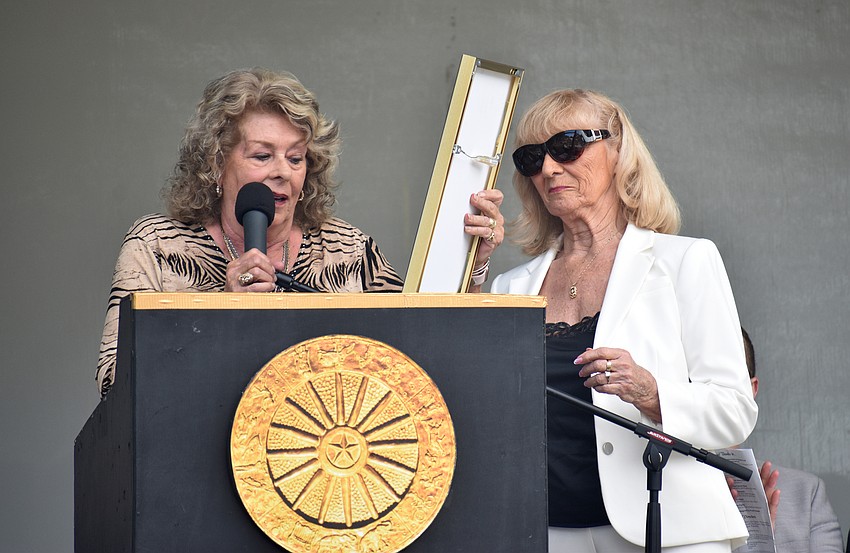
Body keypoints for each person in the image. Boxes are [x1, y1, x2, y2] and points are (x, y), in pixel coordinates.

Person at [96, 68, 504, 398]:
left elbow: (424, 354)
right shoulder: (156, 245)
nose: (282, 171)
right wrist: (220, 313)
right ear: (216, 164)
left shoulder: (348, 251)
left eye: (296, 158)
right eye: (262, 155)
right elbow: (115, 382)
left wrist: (474, 262)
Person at [490, 89, 758, 552]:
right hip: (545, 534)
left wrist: (650, 393)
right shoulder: (509, 287)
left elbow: (734, 410)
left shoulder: (686, 261)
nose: (549, 168)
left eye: (568, 146)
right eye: (533, 157)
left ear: (618, 152)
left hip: (666, 531)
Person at [739, 328, 844, 553]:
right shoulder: (652, 494)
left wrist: (758, 541)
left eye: (725, 380)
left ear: (751, 389)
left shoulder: (807, 494)